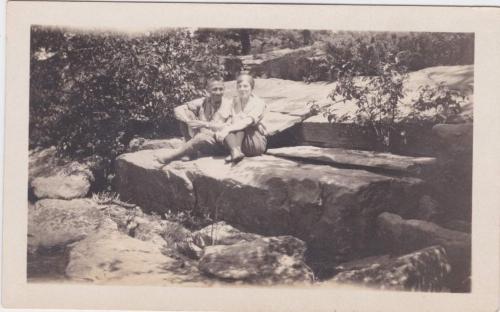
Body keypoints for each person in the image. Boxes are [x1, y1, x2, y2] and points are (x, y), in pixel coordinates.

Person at [154, 77, 230, 164]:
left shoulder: (229, 104)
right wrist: (188, 121)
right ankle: (191, 152)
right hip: (204, 139)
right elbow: (178, 109)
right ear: (207, 91)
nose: (218, 92)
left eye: (221, 89)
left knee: (200, 137)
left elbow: (228, 126)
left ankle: (171, 157)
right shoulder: (203, 101)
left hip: (219, 144)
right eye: (215, 89)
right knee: (186, 113)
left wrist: (204, 124)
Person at [215, 73, 268, 163]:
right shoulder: (234, 101)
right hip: (237, 139)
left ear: (252, 88)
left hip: (254, 142)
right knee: (227, 126)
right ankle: (236, 152)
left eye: (245, 86)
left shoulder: (259, 103)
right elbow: (222, 118)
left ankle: (235, 151)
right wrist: (222, 127)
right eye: (239, 86)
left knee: (238, 125)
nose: (242, 89)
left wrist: (227, 129)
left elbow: (246, 122)